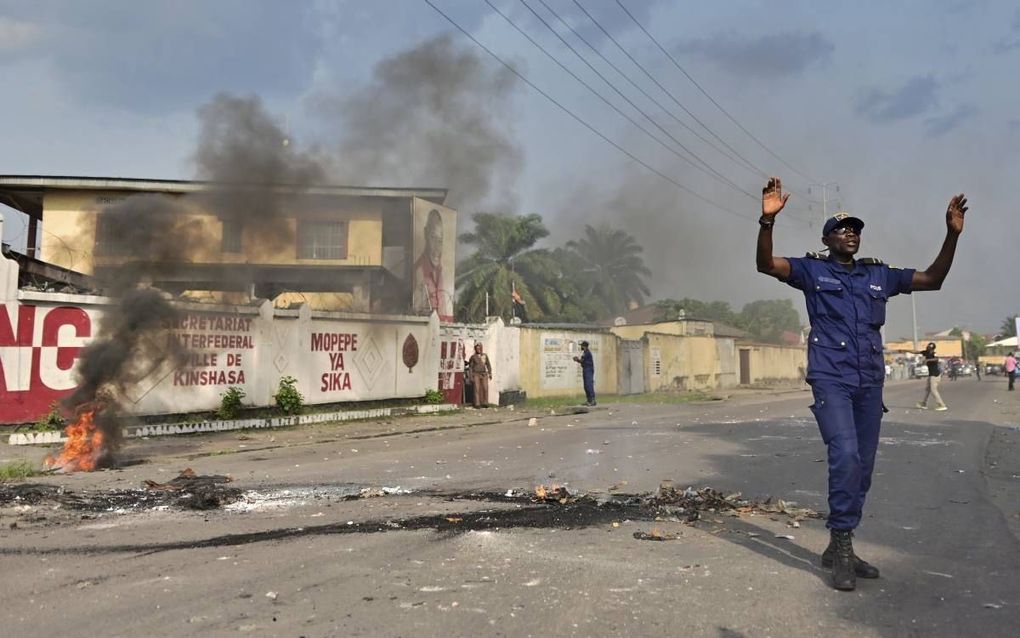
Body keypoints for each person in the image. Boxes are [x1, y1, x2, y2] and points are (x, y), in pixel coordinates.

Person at [756, 176, 968, 591]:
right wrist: (766, 223)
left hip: (869, 381)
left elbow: (932, 279)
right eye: (842, 228)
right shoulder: (811, 270)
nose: (851, 233)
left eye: (855, 228)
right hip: (831, 377)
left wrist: (951, 235)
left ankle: (841, 547)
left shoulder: (879, 277)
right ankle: (841, 542)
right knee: (846, 456)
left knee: (864, 468)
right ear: (827, 238)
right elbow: (767, 265)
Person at [413, 209, 453, 321]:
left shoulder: (440, 272)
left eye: (440, 241)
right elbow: (417, 311)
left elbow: (444, 308)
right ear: (425, 233)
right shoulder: (419, 272)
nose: (437, 248)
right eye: (433, 238)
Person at [916, 343, 948, 410]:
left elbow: (936, 359)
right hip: (931, 375)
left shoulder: (934, 354)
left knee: (933, 390)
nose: (927, 347)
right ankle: (923, 403)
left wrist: (928, 360)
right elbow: (915, 352)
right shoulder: (926, 353)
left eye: (929, 346)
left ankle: (942, 405)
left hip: (935, 375)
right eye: (928, 346)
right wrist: (905, 350)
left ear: (932, 348)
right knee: (927, 389)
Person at [466, 343, 492, 408]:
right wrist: (471, 376)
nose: (479, 349)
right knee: (476, 388)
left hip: (483, 374)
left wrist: (490, 372)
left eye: (480, 348)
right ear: (475, 349)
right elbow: (470, 367)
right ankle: (477, 403)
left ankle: (485, 402)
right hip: (476, 374)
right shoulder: (473, 357)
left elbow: (488, 364)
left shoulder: (485, 356)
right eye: (477, 348)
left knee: (485, 388)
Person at [572, 340, 596, 406]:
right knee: (585, 386)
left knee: (589, 385)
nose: (581, 347)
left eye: (582, 345)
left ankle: (593, 400)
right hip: (585, 369)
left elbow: (582, 361)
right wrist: (578, 360)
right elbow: (582, 361)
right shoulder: (584, 352)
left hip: (589, 370)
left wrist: (577, 359)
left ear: (584, 346)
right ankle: (589, 400)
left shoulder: (588, 353)